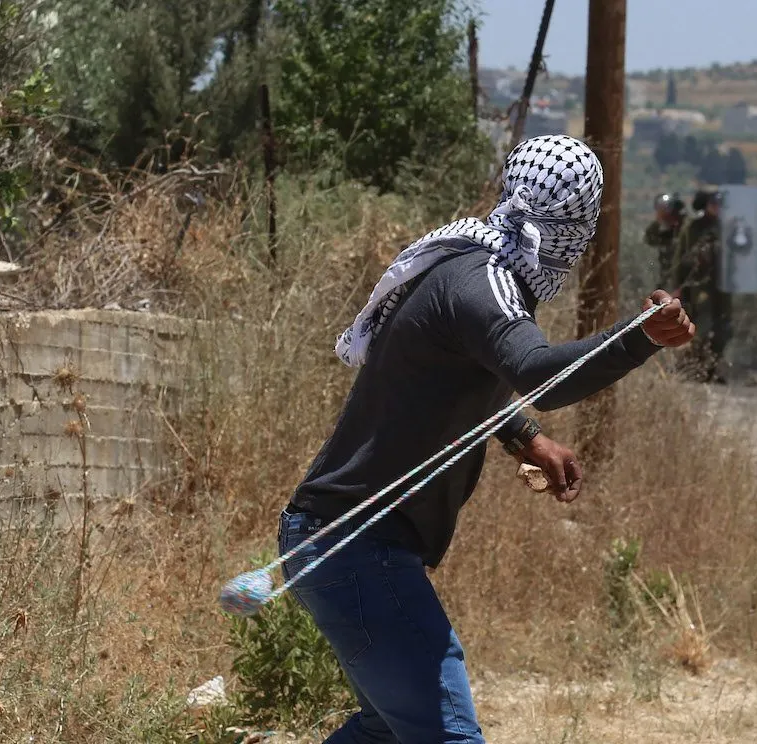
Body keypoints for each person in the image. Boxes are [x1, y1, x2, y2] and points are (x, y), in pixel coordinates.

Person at [277, 134, 696, 744]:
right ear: (570, 229)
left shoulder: (470, 270)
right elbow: (535, 374)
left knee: (390, 734)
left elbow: (463, 380)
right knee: (447, 735)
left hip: (337, 542)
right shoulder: (484, 283)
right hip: (355, 545)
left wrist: (526, 437)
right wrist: (640, 336)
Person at [673, 187, 732, 383]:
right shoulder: (694, 228)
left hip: (723, 287)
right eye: (714, 204)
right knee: (703, 328)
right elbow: (682, 258)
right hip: (700, 286)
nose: (717, 208)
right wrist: (679, 286)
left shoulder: (726, 227)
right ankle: (694, 368)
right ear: (706, 205)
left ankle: (712, 370)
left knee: (723, 329)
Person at [643, 192, 686, 289]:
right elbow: (649, 239)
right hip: (667, 276)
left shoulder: (684, 229)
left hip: (683, 278)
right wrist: (659, 221)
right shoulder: (663, 231)